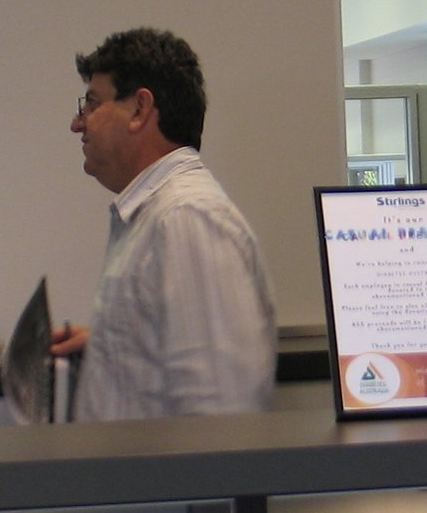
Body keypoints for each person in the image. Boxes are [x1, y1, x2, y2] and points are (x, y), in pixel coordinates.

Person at [51, 26, 276, 419]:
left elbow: (221, 414)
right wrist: (114, 345)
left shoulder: (187, 220)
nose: (77, 123)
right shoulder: (156, 214)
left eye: (91, 104)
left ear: (139, 109)